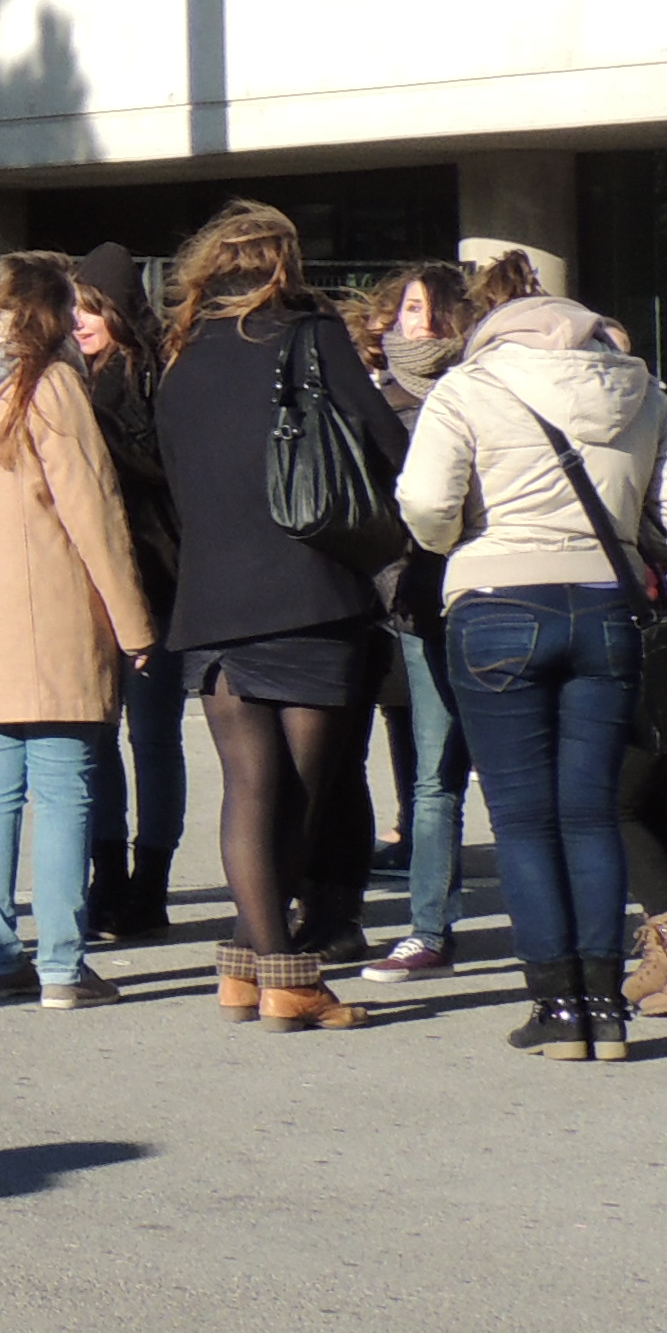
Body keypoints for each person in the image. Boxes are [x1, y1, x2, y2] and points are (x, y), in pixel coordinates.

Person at [396, 280, 667, 1057]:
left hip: (496, 603)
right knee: (588, 811)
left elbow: (426, 504)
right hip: (607, 605)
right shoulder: (642, 389)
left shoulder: (467, 387)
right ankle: (606, 1008)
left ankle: (558, 1008)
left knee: (522, 818)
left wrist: (468, 538)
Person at [150, 202, 405, 1031]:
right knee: (300, 794)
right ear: (282, 265)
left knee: (248, 788)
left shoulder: (181, 355)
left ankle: (244, 965)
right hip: (304, 588)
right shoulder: (309, 332)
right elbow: (381, 442)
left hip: (212, 596)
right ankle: (286, 976)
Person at [0, 253, 158, 1009]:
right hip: (47, 615)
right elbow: (95, 511)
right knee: (63, 790)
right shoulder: (47, 385)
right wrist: (135, 623)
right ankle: (61, 963)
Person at [345, 261, 478, 984]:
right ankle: (431, 923)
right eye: (405, 309)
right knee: (433, 775)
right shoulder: (377, 399)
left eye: (424, 309)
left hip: (490, 594)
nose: (410, 322)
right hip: (415, 602)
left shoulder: (483, 391)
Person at [68, 248, 191, 940]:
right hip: (91, 584)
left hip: (158, 581)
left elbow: (165, 474)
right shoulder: (70, 376)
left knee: (152, 736)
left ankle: (151, 880)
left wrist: (104, 435)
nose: (78, 320)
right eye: (73, 307)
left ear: (117, 308)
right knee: (95, 736)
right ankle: (106, 871)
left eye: (90, 307)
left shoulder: (154, 375)